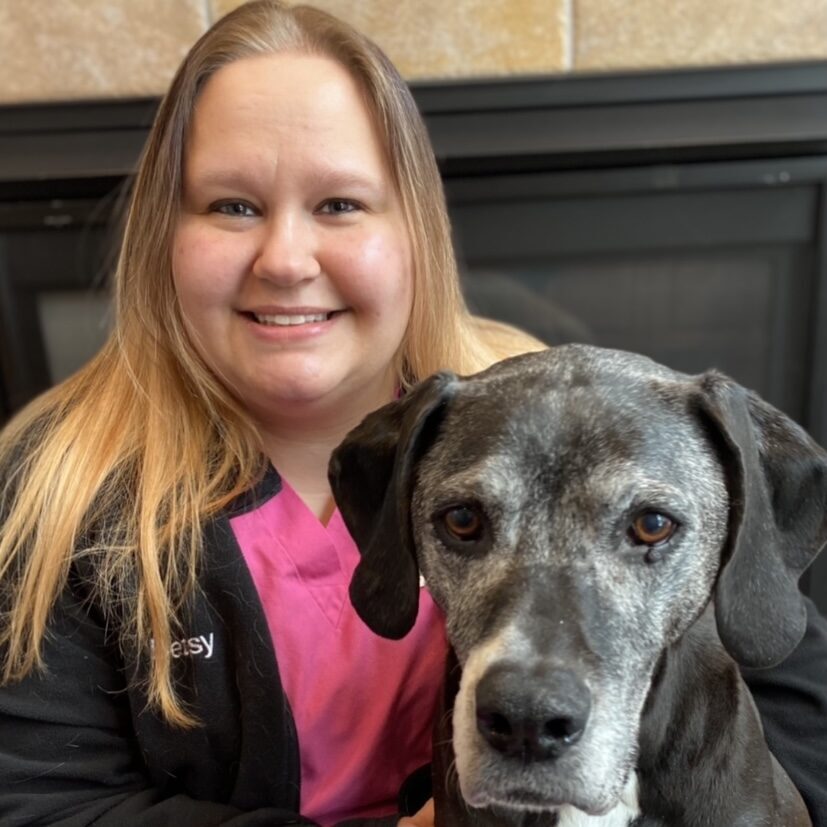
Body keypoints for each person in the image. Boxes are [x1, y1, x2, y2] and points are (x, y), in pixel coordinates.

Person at [0, 1, 824, 825]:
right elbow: (39, 802)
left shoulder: (539, 401)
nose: (286, 260)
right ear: (163, 236)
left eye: (340, 205)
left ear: (412, 229)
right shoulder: (59, 490)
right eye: (232, 206)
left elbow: (779, 652)